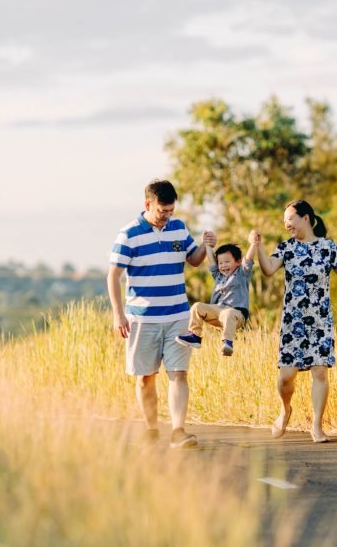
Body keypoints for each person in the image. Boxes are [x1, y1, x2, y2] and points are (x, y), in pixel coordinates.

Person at [107, 179, 216, 447]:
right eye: (162, 211)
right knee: (146, 377)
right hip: (142, 319)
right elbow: (113, 276)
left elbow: (193, 259)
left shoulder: (178, 228)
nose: (167, 216)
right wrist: (118, 315)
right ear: (148, 204)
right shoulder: (129, 234)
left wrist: (206, 245)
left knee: (179, 373)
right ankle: (152, 428)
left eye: (170, 211)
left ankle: (179, 431)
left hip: (178, 315)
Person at [255, 199, 337, 443]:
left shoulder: (328, 247)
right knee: (286, 376)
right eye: (285, 221)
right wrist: (257, 247)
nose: (287, 225)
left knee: (320, 372)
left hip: (320, 318)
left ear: (305, 218)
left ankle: (317, 426)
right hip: (292, 320)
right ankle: (285, 410)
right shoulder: (286, 248)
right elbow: (267, 268)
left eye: (291, 219)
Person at [176, 230, 258, 356]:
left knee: (228, 313)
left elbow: (248, 260)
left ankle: (227, 343)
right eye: (221, 263)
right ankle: (195, 336)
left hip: (236, 315)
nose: (223, 265)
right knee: (197, 306)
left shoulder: (242, 273)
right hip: (217, 311)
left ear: (237, 262)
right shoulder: (218, 276)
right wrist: (208, 245)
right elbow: (212, 261)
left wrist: (253, 243)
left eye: (227, 262)